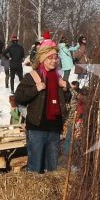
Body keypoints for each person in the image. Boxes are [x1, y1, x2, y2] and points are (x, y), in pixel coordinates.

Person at [14, 40, 69, 173]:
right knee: (35, 168)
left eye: (56, 58)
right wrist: (36, 89)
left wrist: (66, 89)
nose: (53, 61)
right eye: (50, 58)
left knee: (52, 169)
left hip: (54, 129)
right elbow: (19, 97)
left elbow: (65, 101)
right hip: (37, 127)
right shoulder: (32, 76)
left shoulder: (59, 78)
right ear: (43, 59)